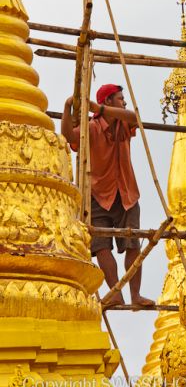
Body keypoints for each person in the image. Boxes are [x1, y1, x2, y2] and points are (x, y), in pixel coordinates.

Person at [62, 83, 154, 306]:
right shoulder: (92, 127)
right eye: (120, 98)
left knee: (133, 243)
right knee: (101, 245)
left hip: (125, 192)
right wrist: (67, 109)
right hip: (97, 193)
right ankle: (116, 294)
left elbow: (134, 117)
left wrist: (100, 109)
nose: (124, 101)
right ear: (109, 100)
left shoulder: (123, 122)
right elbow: (67, 135)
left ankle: (135, 295)